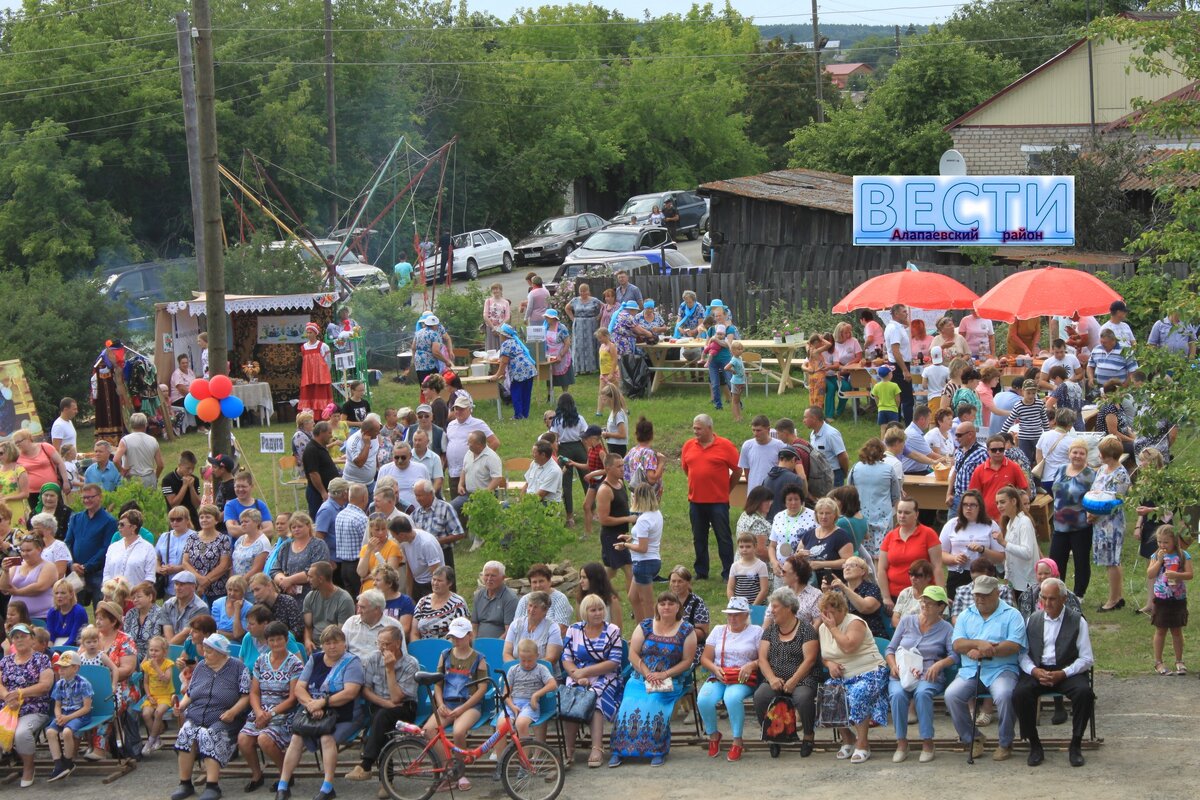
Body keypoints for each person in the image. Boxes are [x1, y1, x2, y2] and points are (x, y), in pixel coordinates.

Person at [274, 625, 364, 800]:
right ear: (322, 645)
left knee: (326, 737)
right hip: (313, 711)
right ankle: (283, 785)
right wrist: (310, 705)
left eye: (336, 642)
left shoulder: (352, 662)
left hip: (344, 714)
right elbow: (300, 688)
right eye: (327, 643)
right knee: (297, 737)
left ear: (344, 644)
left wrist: (322, 703)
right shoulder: (314, 659)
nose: (331, 646)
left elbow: (350, 692)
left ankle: (328, 787)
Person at [609, 592, 697, 768]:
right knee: (627, 707)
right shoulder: (646, 626)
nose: (666, 607)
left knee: (653, 706)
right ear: (657, 606)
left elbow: (688, 661)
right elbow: (632, 653)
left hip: (669, 680)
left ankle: (656, 750)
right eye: (662, 603)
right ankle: (619, 751)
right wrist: (646, 672)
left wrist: (664, 674)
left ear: (678, 607)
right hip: (640, 677)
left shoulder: (687, 630)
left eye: (670, 604)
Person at [1014, 577, 1095, 767]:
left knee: (1085, 694)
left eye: (1052, 599)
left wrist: (1064, 673)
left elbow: (1086, 658)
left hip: (1067, 670)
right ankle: (1034, 745)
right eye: (1044, 598)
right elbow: (1022, 655)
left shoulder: (1077, 621)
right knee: (1019, 694)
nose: (1047, 603)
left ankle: (1076, 744)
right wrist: (1034, 671)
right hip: (1039, 670)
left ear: (1064, 599)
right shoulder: (1031, 620)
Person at [944, 575, 1026, 761]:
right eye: (977, 595)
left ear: (997, 593)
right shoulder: (965, 615)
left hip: (1002, 669)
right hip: (971, 670)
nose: (980, 598)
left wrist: (987, 651)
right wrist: (979, 643)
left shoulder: (1012, 615)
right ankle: (973, 738)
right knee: (952, 695)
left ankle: (1006, 742)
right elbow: (957, 645)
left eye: (985, 595)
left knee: (1005, 695)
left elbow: (1013, 646)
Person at [885, 584, 955, 763]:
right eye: (923, 602)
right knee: (898, 694)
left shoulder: (946, 628)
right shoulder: (907, 621)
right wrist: (893, 665)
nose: (924, 606)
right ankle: (901, 742)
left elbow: (955, 656)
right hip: (902, 671)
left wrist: (939, 664)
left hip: (928, 673)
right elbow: (890, 649)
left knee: (923, 693)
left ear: (941, 607)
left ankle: (927, 742)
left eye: (930, 603)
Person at [817, 589, 889, 763]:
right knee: (829, 691)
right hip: (843, 674)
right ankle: (848, 738)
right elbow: (825, 656)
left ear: (842, 610)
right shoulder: (822, 628)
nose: (827, 616)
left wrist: (833, 628)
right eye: (824, 612)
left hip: (870, 671)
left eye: (831, 612)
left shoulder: (855, 623)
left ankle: (863, 743)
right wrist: (830, 664)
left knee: (858, 692)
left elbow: (848, 647)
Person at [344, 626, 418, 785]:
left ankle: (366, 765)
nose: (382, 647)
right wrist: (385, 704)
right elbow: (366, 690)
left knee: (381, 718)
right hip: (381, 705)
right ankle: (386, 781)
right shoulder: (373, 658)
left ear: (398, 644)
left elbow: (397, 698)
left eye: (386, 644)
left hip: (405, 708)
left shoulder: (410, 664)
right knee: (382, 722)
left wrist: (390, 669)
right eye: (379, 643)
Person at [752, 586, 819, 757]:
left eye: (775, 607)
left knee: (803, 698)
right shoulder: (770, 630)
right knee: (761, 697)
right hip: (775, 677)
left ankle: (808, 736)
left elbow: (810, 660)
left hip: (802, 678)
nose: (771, 611)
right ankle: (773, 735)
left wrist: (794, 680)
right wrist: (772, 678)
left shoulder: (806, 629)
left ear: (788, 607)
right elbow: (762, 659)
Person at [561, 593, 624, 768]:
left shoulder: (612, 630)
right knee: (571, 700)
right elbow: (566, 658)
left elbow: (614, 662)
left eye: (600, 609)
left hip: (606, 676)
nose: (598, 613)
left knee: (594, 698)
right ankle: (569, 749)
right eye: (593, 610)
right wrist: (575, 674)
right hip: (577, 675)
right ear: (584, 612)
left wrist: (585, 672)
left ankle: (597, 747)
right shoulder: (573, 630)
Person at [698, 595, 762, 763]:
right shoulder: (719, 630)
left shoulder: (756, 631)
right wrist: (714, 668)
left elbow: (764, 658)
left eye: (737, 614)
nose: (732, 618)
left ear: (746, 615)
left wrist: (751, 665)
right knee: (703, 699)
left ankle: (737, 739)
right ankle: (713, 734)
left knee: (732, 698)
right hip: (720, 674)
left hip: (743, 676)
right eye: (730, 614)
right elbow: (705, 658)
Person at [680, 414, 741, 581]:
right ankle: (701, 571)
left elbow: (737, 471)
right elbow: (687, 469)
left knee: (723, 537)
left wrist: (726, 489)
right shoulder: (688, 446)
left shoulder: (725, 446)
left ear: (709, 428)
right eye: (694, 428)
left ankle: (728, 571)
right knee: (698, 537)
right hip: (695, 501)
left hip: (718, 502)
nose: (695, 431)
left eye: (698, 428)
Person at [0, 623, 53, 787]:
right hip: (8, 708)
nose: (19, 639)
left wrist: (21, 693)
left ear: (32, 639)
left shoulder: (41, 659)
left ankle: (28, 768)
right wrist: (7, 696)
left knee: (21, 733)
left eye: (23, 636)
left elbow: (45, 686)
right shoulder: (6, 661)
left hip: (34, 707)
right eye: (16, 637)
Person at [877, 498, 943, 611]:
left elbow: (937, 567)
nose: (902, 516)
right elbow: (881, 569)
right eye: (899, 512)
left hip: (922, 596)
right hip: (894, 596)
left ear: (916, 514)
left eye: (907, 512)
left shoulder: (928, 534)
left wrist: (941, 594)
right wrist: (886, 597)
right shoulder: (890, 536)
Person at [1050, 439, 1095, 599]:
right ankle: (1057, 591)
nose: (1077, 456)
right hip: (1059, 525)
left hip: (1080, 526)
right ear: (1069, 454)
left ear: (1086, 456)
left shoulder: (1090, 475)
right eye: (1074, 452)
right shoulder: (1060, 469)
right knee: (1056, 560)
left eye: (1081, 453)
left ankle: (1079, 594)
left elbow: (1095, 498)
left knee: (1081, 560)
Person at [1090, 434, 1131, 612]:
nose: (1099, 455)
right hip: (1098, 520)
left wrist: (1095, 514)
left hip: (1111, 521)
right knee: (1108, 560)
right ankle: (1116, 595)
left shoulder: (1120, 474)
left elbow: (1114, 500)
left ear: (1109, 454)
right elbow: (1094, 491)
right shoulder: (1102, 469)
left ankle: (1114, 599)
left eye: (1101, 453)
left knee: (1112, 559)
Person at [940, 488, 1004, 598]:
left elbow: (1000, 557)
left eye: (972, 505)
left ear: (980, 507)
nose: (968, 508)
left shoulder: (990, 525)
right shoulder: (951, 524)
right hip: (957, 574)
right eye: (965, 504)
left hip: (984, 574)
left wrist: (983, 550)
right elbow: (940, 554)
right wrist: (954, 558)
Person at [614, 483, 662, 623]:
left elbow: (642, 548)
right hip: (653, 560)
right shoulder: (656, 514)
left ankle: (650, 634)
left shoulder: (643, 520)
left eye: (634, 496)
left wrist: (625, 545)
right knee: (633, 597)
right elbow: (648, 538)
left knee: (647, 603)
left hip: (643, 563)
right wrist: (631, 538)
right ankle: (640, 630)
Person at [1147, 525, 1191, 675]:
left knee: (1177, 630)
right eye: (1159, 542)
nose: (1162, 545)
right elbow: (1150, 574)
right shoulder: (1156, 555)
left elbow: (1190, 574)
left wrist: (1177, 575)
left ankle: (1179, 660)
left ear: (1174, 541)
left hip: (1178, 598)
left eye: (1166, 542)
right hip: (1161, 598)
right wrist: (1159, 561)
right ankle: (1158, 662)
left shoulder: (1183, 555)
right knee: (1161, 630)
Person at [44, 648, 93, 781]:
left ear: (75, 668)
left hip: (80, 715)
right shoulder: (59, 684)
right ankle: (58, 764)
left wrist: (68, 718)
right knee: (50, 732)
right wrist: (59, 716)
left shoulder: (83, 683)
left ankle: (68, 761)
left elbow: (87, 708)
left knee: (66, 732)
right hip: (64, 714)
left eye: (65, 667)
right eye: (60, 667)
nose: (61, 670)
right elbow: (57, 705)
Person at [847, 438, 901, 555]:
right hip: (884, 516)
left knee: (863, 553)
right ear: (882, 452)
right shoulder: (889, 469)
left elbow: (848, 491)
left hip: (861, 515)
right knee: (883, 553)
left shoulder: (855, 468)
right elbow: (896, 495)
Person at [270, 512, 331, 600]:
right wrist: (284, 582)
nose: (296, 529)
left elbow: (317, 570)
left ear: (308, 526)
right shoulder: (285, 546)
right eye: (293, 527)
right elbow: (275, 570)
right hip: (288, 596)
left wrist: (290, 580)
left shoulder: (318, 545)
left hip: (313, 595)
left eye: (300, 526)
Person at [595, 453, 634, 587]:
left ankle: (593, 588)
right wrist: (628, 518)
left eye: (623, 465)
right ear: (608, 469)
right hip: (611, 536)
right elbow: (604, 520)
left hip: (621, 534)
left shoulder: (620, 482)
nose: (622, 469)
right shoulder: (605, 490)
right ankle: (635, 603)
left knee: (611, 571)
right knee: (630, 569)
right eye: (618, 466)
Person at [995, 486, 1039, 603]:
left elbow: (1027, 552)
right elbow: (1010, 555)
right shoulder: (1010, 523)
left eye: (1003, 502)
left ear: (1014, 501)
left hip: (1027, 582)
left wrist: (1004, 543)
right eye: (997, 503)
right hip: (1016, 581)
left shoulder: (1024, 522)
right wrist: (1007, 576)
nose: (999, 506)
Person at [184, 503, 233, 606]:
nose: (204, 520)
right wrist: (199, 578)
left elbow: (224, 565)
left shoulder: (223, 539)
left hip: (217, 589)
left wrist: (206, 581)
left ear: (216, 520)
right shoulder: (192, 538)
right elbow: (185, 562)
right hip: (194, 587)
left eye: (208, 517)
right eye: (201, 517)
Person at [0, 531, 55, 623]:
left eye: (29, 550)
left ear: (39, 549)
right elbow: (3, 588)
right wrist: (5, 571)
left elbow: (40, 587)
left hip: (41, 616)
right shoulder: (17, 565)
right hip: (16, 618)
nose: (25, 554)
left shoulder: (49, 566)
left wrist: (17, 592)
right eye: (22, 550)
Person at [302, 562, 354, 654]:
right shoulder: (310, 597)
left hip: (333, 647)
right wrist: (307, 640)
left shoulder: (344, 600)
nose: (307, 579)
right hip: (314, 647)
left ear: (321, 579)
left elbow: (340, 634)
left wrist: (326, 649)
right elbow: (308, 626)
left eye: (310, 577)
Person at [13, 428, 69, 509]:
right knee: (38, 518)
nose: (18, 445)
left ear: (28, 438)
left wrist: (66, 481)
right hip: (33, 493)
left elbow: (60, 463)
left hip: (51, 488)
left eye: (19, 441)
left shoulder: (45, 447)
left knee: (58, 514)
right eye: (16, 443)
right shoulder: (17, 457)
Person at [491, 324, 538, 420]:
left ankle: (518, 415)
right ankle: (525, 414)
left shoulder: (506, 344)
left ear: (504, 335)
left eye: (500, 334)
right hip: (529, 369)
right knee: (526, 393)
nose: (500, 336)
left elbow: (504, 362)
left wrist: (497, 375)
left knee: (516, 392)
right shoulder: (516, 341)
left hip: (519, 371)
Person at [102, 509, 157, 589]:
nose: (119, 527)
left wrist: (136, 593)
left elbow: (150, 577)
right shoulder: (113, 547)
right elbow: (106, 573)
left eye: (122, 525)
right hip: (113, 596)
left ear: (133, 527)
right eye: (118, 524)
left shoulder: (147, 548)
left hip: (135, 597)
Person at [411, 565, 468, 640]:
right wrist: (417, 648)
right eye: (434, 579)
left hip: (448, 648)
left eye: (439, 581)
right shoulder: (423, 602)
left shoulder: (458, 604)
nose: (435, 583)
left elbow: (461, 631)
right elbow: (414, 633)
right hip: (423, 648)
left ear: (450, 583)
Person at [249, 575, 304, 644]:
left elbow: (297, 630)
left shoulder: (288, 602)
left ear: (269, 585)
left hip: (288, 644)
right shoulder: (257, 606)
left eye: (257, 589)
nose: (255, 594)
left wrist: (279, 639)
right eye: (252, 591)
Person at [113, 412, 163, 489]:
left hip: (132, 478)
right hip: (149, 477)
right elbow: (160, 465)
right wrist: (155, 477)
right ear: (146, 424)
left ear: (131, 425)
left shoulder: (125, 440)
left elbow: (116, 460)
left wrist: (121, 471)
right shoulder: (153, 440)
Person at [159, 571, 210, 646]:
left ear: (193, 587)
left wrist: (167, 648)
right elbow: (167, 631)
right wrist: (170, 649)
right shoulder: (167, 604)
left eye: (182, 585)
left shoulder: (201, 608)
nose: (178, 588)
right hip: (170, 647)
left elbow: (186, 633)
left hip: (191, 649)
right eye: (176, 584)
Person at [470, 561, 518, 640]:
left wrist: (493, 645)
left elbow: (509, 631)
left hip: (499, 644)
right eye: (486, 575)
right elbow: (474, 625)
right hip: (478, 643)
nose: (489, 579)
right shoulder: (479, 595)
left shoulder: (510, 598)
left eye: (493, 576)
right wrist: (474, 643)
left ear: (503, 578)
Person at [803, 406, 849, 487]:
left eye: (805, 417)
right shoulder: (813, 434)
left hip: (834, 475)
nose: (803, 421)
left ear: (814, 418)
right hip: (820, 476)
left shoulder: (831, 434)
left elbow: (843, 456)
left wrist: (843, 473)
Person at [298, 322, 333, 415]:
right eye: (307, 333)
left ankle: (322, 415)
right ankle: (309, 416)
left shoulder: (323, 346)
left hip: (320, 377)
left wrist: (325, 375)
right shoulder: (303, 347)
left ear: (315, 333)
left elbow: (328, 362)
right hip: (308, 377)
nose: (309, 335)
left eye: (311, 332)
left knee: (320, 395)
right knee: (309, 395)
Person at [727, 532, 769, 605]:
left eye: (748, 546)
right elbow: (730, 589)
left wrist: (753, 606)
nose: (744, 549)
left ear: (755, 546)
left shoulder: (761, 566)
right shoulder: (735, 566)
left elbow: (764, 590)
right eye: (741, 547)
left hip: (756, 606)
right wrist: (734, 603)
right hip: (739, 607)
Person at [412, 315, 453, 385]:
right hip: (429, 364)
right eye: (437, 325)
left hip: (419, 364)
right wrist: (446, 361)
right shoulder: (434, 334)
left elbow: (413, 347)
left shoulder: (418, 333)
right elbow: (435, 352)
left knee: (423, 386)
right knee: (432, 386)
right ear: (434, 325)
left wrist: (414, 359)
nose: (438, 326)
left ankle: (423, 396)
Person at [47, 577, 88, 647]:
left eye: (63, 593)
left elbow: (73, 638)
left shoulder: (79, 612)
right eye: (56, 593)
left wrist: (59, 651)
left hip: (74, 646)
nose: (59, 596)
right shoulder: (52, 612)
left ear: (71, 594)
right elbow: (50, 637)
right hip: (55, 646)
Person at [483, 282, 512, 351]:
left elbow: (507, 316)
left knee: (502, 347)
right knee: (491, 348)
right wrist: (493, 328)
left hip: (502, 329)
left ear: (501, 290)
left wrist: (499, 328)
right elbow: (485, 315)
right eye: (493, 289)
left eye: (497, 289)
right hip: (490, 328)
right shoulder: (488, 301)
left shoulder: (505, 302)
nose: (495, 291)